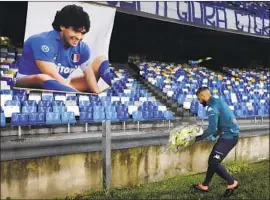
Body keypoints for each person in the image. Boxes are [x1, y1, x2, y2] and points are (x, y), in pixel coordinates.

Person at [15, 4, 113, 93]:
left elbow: (89, 75)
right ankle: (75, 96)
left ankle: (113, 91)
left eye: (83, 33)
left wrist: (97, 94)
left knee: (101, 60)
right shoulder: (41, 41)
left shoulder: (82, 48)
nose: (79, 37)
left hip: (60, 85)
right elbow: (52, 75)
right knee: (43, 77)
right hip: (29, 83)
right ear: (62, 26)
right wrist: (78, 96)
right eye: (75, 31)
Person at [194, 86, 240, 197]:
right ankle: (205, 185)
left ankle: (232, 182)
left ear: (203, 96)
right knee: (212, 161)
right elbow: (222, 122)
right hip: (227, 135)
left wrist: (198, 138)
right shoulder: (217, 101)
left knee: (214, 162)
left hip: (229, 137)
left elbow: (212, 127)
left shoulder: (212, 106)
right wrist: (214, 136)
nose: (200, 102)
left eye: (199, 99)